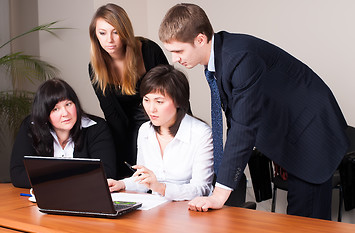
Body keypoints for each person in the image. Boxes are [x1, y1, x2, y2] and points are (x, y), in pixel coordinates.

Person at [159, 3, 349, 220]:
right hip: (292, 132)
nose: (175, 59)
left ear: (200, 39)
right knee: (297, 221)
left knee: (307, 223)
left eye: (178, 51)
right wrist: (226, 185)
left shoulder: (239, 58)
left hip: (312, 133)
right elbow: (237, 119)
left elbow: (243, 125)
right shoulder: (221, 57)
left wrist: (220, 194)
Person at [107, 65, 214, 201]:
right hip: (156, 208)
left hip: (191, 210)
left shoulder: (200, 133)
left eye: (159, 101)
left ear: (178, 102)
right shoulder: (145, 130)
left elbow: (201, 189)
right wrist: (121, 184)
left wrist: (160, 188)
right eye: (146, 100)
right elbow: (144, 180)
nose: (151, 109)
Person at [89, 3, 169, 179]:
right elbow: (112, 115)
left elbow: (172, 93)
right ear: (95, 35)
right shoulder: (95, 68)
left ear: (125, 31)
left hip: (159, 117)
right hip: (125, 126)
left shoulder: (148, 50)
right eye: (102, 33)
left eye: (115, 32)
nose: (109, 40)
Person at [10, 78, 116, 188]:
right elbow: (18, 174)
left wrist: (50, 178)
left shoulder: (96, 127)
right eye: (55, 109)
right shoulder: (31, 126)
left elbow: (106, 173)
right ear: (44, 114)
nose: (65, 113)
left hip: (86, 199)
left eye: (68, 104)